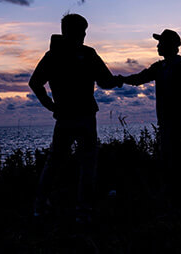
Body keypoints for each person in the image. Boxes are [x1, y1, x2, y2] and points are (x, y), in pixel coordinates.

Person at [29, 13, 122, 223]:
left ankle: (40, 208)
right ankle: (83, 212)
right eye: (82, 31)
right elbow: (105, 81)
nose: (84, 35)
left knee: (54, 162)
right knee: (87, 163)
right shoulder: (87, 54)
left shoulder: (52, 55)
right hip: (85, 117)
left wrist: (50, 106)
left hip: (65, 117)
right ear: (74, 31)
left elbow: (35, 83)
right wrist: (117, 81)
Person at [120, 29, 181, 195]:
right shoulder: (160, 67)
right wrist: (121, 79)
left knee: (176, 159)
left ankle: (179, 197)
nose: (158, 46)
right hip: (166, 121)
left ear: (170, 45)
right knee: (167, 158)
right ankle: (172, 195)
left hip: (178, 122)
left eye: (161, 43)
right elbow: (140, 78)